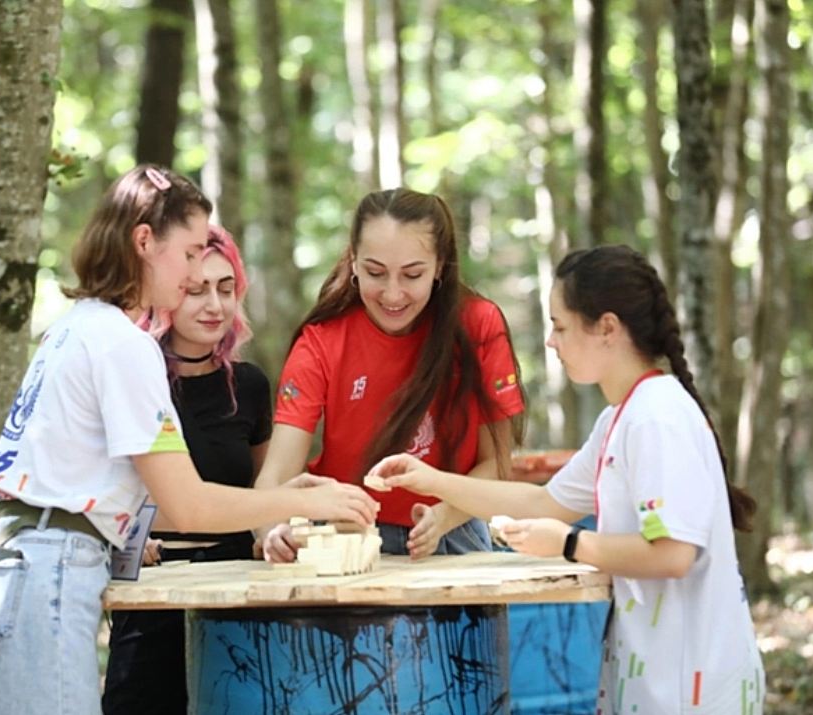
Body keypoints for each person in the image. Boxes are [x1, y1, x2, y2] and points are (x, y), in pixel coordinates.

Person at [0, 165, 378, 715]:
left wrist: (284, 498)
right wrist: (307, 502)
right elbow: (189, 506)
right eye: (190, 253)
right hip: (42, 581)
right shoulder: (126, 345)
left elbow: (123, 497)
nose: (195, 271)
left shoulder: (70, 329)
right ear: (144, 241)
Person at [369, 244, 766, 713]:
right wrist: (431, 480)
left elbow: (673, 553)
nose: (550, 342)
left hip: (691, 683)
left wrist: (569, 543)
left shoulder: (656, 418)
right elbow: (544, 503)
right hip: (655, 674)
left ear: (607, 328)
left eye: (559, 326)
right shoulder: (622, 416)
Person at [255, 187, 525, 561]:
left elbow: (498, 461)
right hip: (345, 542)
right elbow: (277, 473)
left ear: (439, 266)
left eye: (412, 274)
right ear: (353, 261)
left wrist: (444, 516)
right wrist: (272, 530)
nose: (393, 294)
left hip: (453, 533)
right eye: (375, 273)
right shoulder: (321, 341)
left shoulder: (478, 324)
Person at [102, 226, 268, 715]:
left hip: (236, 593)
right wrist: (128, 533)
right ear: (170, 290)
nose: (214, 305)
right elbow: (104, 485)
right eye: (196, 290)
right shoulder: (133, 375)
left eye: (225, 288)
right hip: (150, 594)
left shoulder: (251, 386)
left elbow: (264, 492)